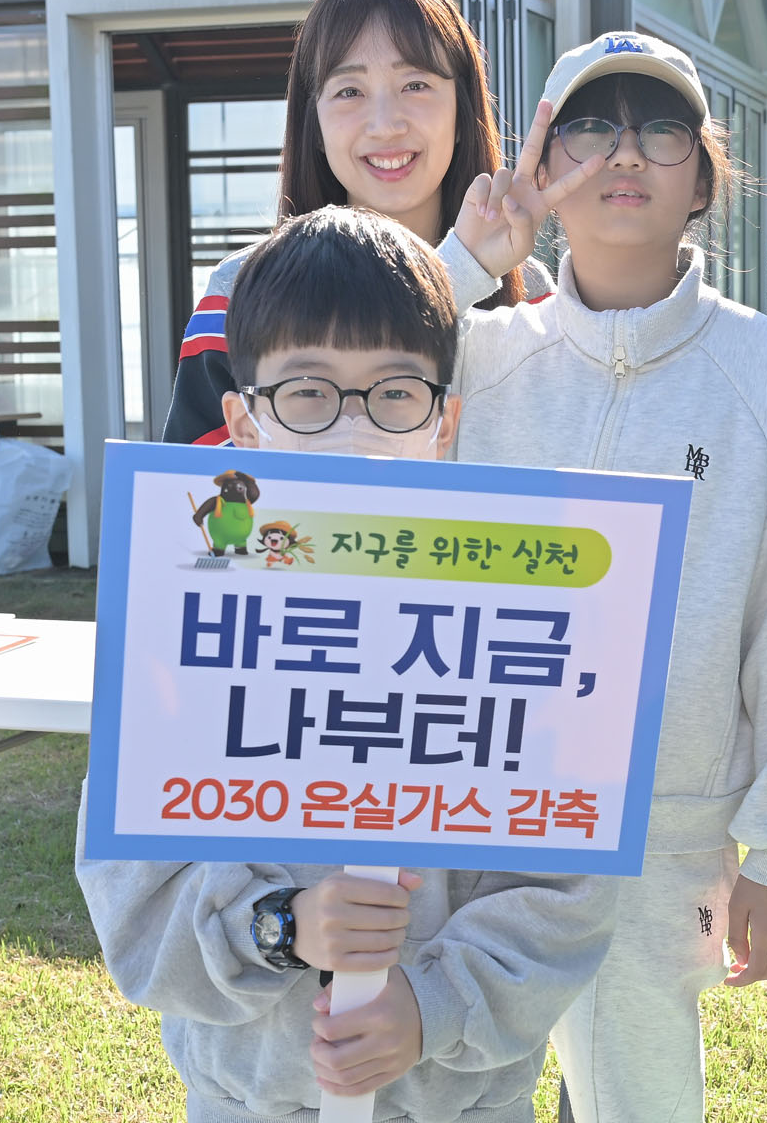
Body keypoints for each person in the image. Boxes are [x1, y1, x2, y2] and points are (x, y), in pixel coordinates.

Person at [77, 205, 618, 1123]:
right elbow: (132, 890)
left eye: (395, 392)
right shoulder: (180, 626)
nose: (354, 430)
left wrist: (431, 1004)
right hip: (250, 1101)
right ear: (243, 423)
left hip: (462, 1106)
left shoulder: (526, 624)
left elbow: (567, 891)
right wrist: (280, 926)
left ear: (444, 421)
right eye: (308, 393)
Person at [447, 31, 767, 1123]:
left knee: (640, 1101)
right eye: (589, 127)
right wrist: (470, 259)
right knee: (454, 1090)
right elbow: (344, 410)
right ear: (540, 169)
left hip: (665, 836)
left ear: (705, 178)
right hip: (472, 816)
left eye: (661, 129)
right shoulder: (478, 356)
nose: (624, 152)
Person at [162, 0, 553, 447]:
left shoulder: (530, 292)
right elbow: (205, 486)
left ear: (462, 110)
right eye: (349, 91)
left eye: (416, 85)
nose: (385, 124)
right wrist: (462, 271)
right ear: (315, 126)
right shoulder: (237, 290)